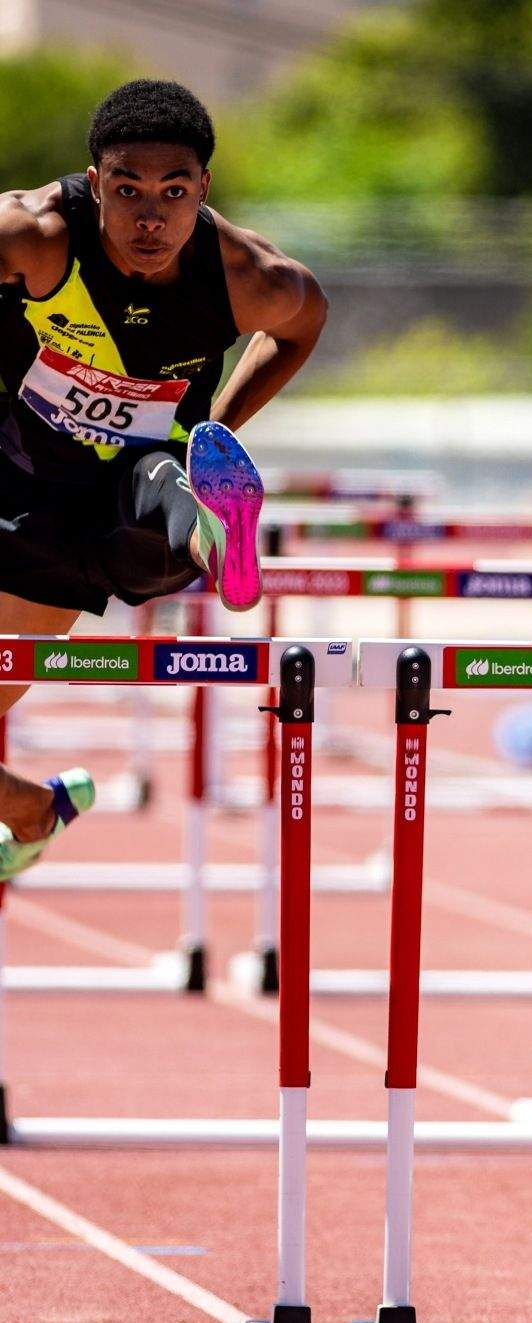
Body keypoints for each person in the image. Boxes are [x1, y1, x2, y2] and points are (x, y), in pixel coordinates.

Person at [0, 79, 324, 873]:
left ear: (203, 189)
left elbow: (303, 320)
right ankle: (37, 812)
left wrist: (223, 424)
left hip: (133, 488)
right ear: (94, 181)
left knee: (159, 481)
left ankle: (210, 522)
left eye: (175, 193)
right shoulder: (34, 235)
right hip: (21, 484)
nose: (151, 217)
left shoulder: (247, 276)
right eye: (128, 190)